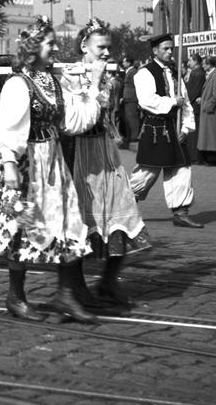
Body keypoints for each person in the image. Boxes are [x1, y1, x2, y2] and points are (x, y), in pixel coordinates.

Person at [0, 17, 103, 324]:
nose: (56, 48)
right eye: (50, 43)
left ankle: (65, 295)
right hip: (25, 164)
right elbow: (8, 130)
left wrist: (93, 86)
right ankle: (16, 296)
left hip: (53, 161)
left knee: (68, 223)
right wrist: (9, 166)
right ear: (34, 48)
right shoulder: (18, 84)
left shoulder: (54, 82)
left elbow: (74, 122)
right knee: (22, 227)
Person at [60, 19, 151, 310]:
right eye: (101, 48)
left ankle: (108, 283)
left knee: (122, 214)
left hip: (104, 151)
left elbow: (106, 115)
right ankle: (76, 290)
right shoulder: (70, 76)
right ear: (84, 47)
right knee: (81, 222)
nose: (106, 54)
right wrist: (95, 81)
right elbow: (76, 118)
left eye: (109, 48)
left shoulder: (110, 78)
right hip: (80, 155)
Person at [129, 33, 201, 228]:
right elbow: (147, 100)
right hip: (156, 129)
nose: (170, 52)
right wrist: (171, 102)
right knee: (147, 172)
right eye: (166, 49)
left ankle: (181, 212)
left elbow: (185, 103)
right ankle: (121, 205)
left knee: (181, 169)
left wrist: (186, 128)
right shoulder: (145, 73)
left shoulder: (175, 72)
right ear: (155, 51)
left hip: (175, 128)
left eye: (171, 48)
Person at [196, 56, 216, 165]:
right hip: (208, 108)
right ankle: (210, 157)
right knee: (210, 135)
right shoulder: (213, 75)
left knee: (212, 136)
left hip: (212, 110)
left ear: (209, 64)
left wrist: (208, 105)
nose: (202, 66)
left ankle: (213, 158)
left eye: (204, 64)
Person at [183, 54, 204, 164]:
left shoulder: (198, 74)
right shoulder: (194, 73)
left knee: (194, 133)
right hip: (192, 105)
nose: (188, 63)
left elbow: (193, 91)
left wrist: (186, 102)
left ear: (196, 61)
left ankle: (194, 156)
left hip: (194, 107)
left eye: (190, 60)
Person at [121, 57, 140, 149]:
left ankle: (134, 136)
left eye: (124, 62)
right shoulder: (129, 72)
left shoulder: (133, 72)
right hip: (127, 99)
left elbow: (137, 85)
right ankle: (130, 136)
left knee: (132, 118)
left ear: (129, 62)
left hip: (132, 99)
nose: (123, 63)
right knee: (128, 118)